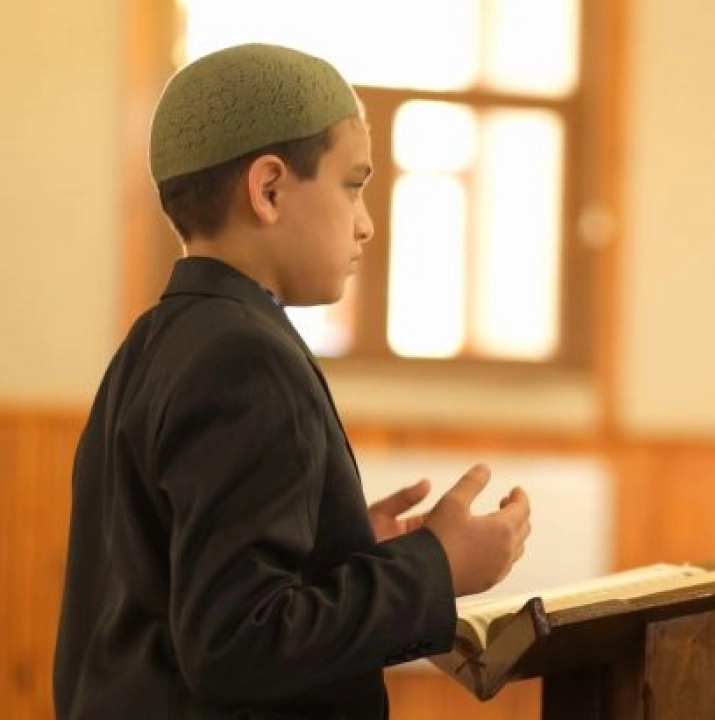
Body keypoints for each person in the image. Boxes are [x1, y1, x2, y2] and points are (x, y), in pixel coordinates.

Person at [53, 43, 531, 719]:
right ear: (269, 189)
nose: (366, 224)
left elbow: (172, 591)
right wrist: (436, 567)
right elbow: (237, 644)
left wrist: (338, 551)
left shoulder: (152, 344)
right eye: (353, 184)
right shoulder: (245, 358)